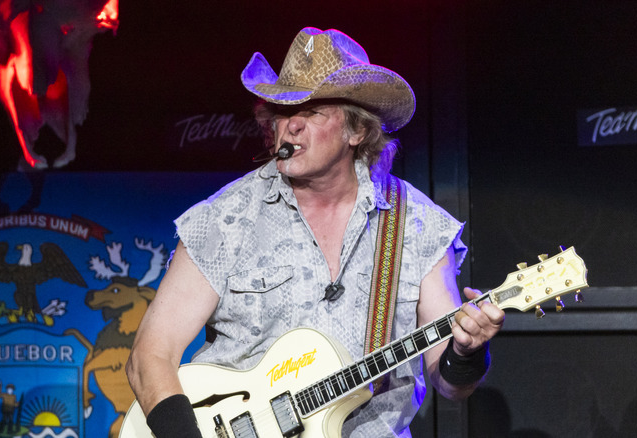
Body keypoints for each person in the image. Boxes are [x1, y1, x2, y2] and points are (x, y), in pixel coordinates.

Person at [126, 27, 505, 438]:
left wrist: (467, 350)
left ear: (356, 131)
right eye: (284, 111)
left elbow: (451, 385)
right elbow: (150, 356)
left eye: (312, 112)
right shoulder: (224, 219)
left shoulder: (418, 226)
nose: (290, 127)